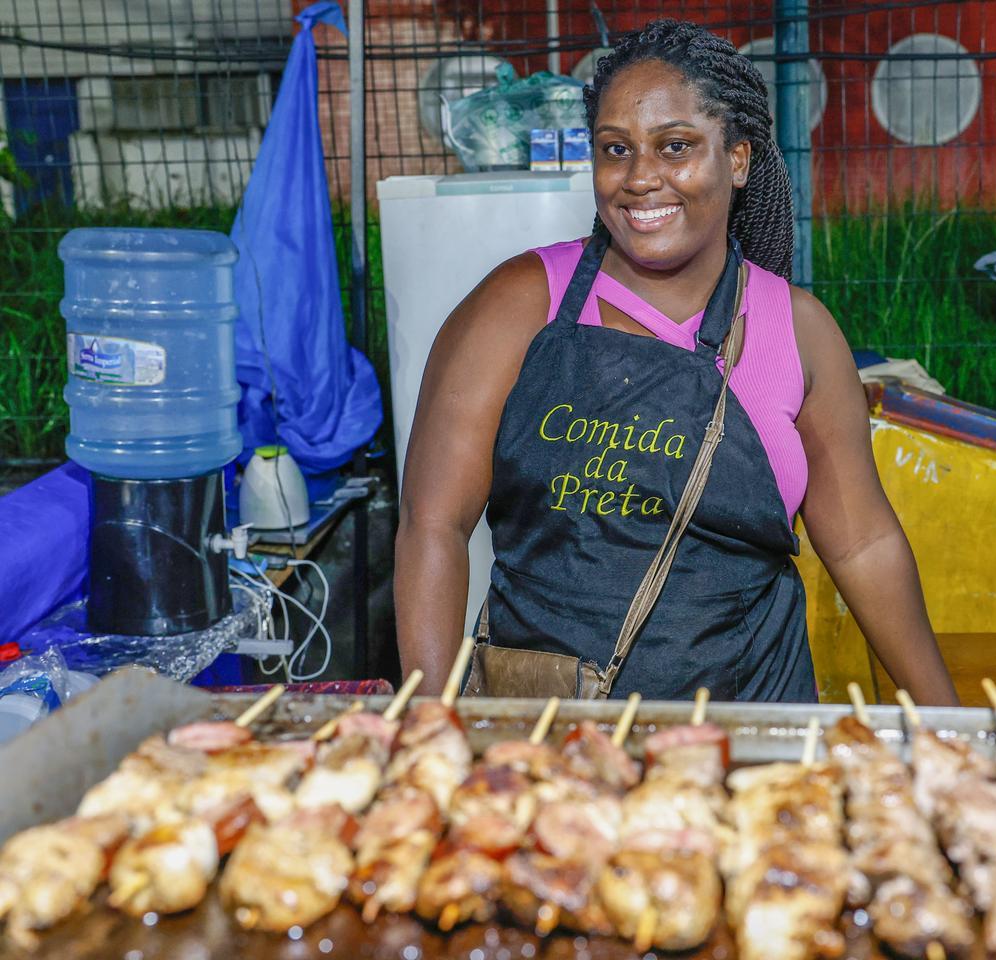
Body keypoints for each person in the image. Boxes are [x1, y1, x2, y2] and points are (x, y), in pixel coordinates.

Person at [394, 19, 958, 705]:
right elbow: (433, 524)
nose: (639, 179)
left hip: (755, 737)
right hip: (555, 740)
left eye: (676, 147)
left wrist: (947, 720)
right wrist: (426, 720)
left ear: (739, 159)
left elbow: (862, 545)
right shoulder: (517, 305)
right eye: (615, 149)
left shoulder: (797, 332)